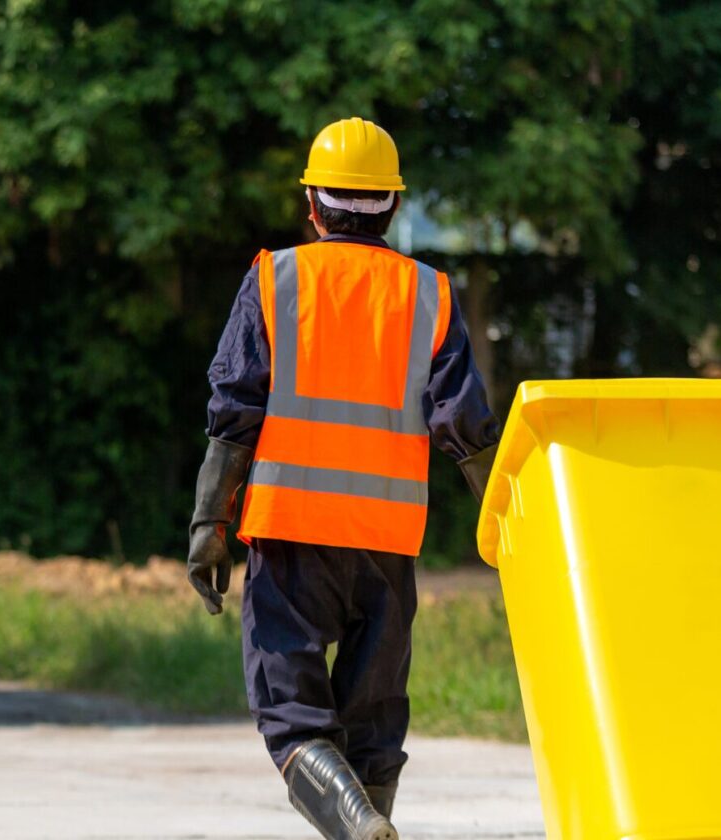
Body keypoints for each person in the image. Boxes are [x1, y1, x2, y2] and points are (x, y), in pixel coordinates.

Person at [186, 117, 501, 840]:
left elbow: (233, 411)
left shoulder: (275, 279)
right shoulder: (430, 294)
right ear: (391, 206)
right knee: (373, 719)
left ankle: (356, 823)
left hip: (291, 535)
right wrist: (512, 527)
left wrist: (209, 528)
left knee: (292, 715)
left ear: (312, 204)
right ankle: (369, 820)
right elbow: (467, 428)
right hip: (386, 544)